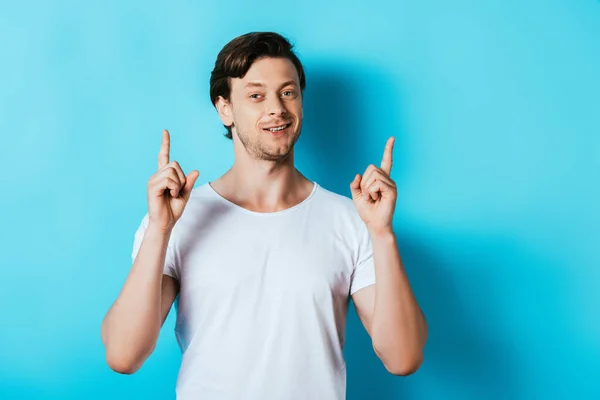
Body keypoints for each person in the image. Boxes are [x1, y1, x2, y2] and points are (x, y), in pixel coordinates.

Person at [101, 31, 428, 399]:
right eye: (256, 95)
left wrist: (382, 234)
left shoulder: (352, 220)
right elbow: (123, 354)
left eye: (287, 92)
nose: (277, 108)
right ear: (225, 108)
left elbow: (403, 358)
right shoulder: (177, 218)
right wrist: (160, 230)